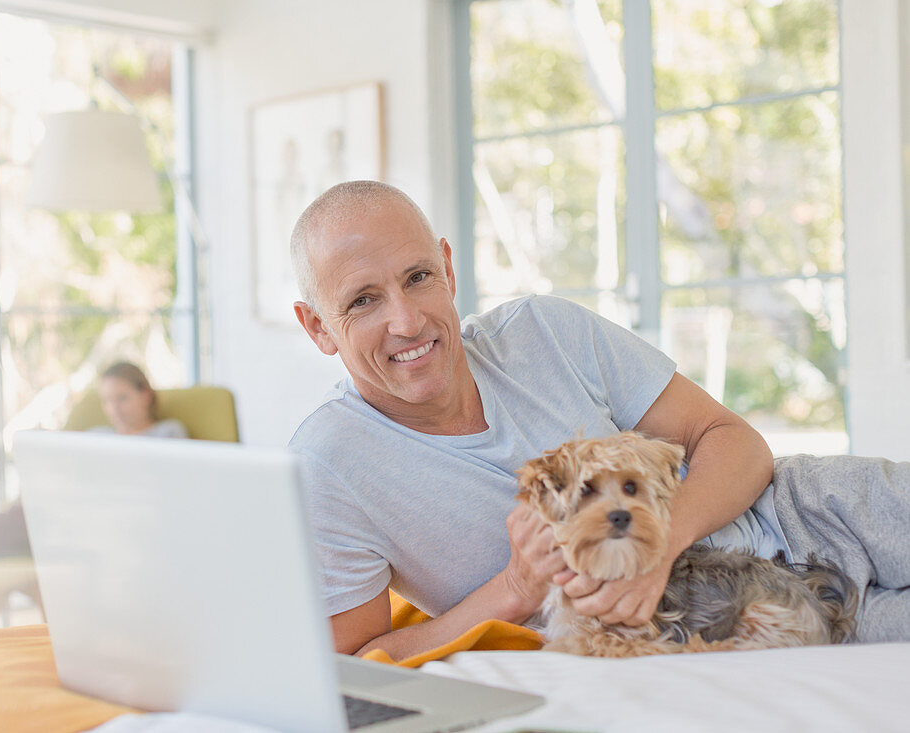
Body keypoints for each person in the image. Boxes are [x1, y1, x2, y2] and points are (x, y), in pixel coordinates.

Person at [287, 180, 910, 660]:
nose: (407, 321)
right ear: (317, 326)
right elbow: (359, 664)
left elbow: (737, 443)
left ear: (448, 269)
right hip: (717, 624)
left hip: (807, 514)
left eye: (418, 277)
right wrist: (516, 585)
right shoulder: (329, 464)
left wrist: (662, 542)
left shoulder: (543, 331)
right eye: (363, 301)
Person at [94, 362, 188, 439]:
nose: (114, 409)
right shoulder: (96, 435)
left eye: (122, 398)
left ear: (146, 395)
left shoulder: (168, 432)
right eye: (107, 400)